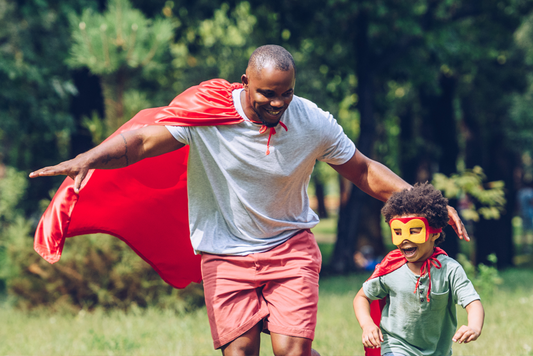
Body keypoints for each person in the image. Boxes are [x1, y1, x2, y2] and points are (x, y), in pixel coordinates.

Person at [30, 45, 468, 356]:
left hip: (290, 247)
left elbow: (363, 170)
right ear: (246, 83)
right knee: (239, 352)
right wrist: (88, 157)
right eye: (267, 94)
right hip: (223, 252)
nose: (278, 103)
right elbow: (142, 141)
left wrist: (424, 201)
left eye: (286, 93)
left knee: (291, 351)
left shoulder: (312, 121)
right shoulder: (208, 115)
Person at [353, 183, 484, 356]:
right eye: (398, 232)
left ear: (435, 233)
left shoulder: (449, 269)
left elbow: (472, 302)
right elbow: (362, 297)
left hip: (438, 350)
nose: (404, 240)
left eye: (414, 231)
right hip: (396, 346)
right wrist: (367, 324)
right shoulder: (391, 269)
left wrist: (474, 326)